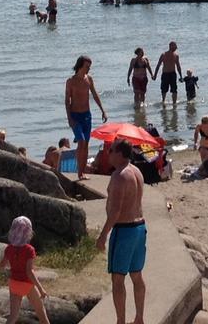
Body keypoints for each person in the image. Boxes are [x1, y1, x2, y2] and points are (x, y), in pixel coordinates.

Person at [97, 140, 147, 324]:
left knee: (118, 279)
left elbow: (116, 210)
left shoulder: (119, 176)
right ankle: (139, 317)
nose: (108, 153)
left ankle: (121, 321)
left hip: (124, 230)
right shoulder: (137, 172)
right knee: (136, 275)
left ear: (120, 153)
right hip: (139, 227)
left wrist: (103, 235)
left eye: (111, 150)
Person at [0, 216, 50, 324]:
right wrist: (41, 288)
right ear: (28, 232)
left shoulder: (9, 249)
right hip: (27, 284)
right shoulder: (29, 250)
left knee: (13, 316)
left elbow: (2, 265)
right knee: (41, 313)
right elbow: (29, 272)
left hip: (14, 283)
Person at [65, 56, 108, 180]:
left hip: (87, 116)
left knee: (86, 144)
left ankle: (83, 172)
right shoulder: (70, 81)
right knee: (81, 142)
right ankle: (79, 172)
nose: (88, 69)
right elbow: (67, 101)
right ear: (80, 66)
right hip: (75, 116)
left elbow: (94, 95)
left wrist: (103, 111)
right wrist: (69, 118)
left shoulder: (89, 79)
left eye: (89, 67)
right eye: (86, 66)